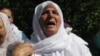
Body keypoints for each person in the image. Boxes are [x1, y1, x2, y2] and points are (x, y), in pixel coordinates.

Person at [12, 1, 92, 56]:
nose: (51, 16)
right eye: (45, 12)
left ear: (61, 19)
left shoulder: (77, 45)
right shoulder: (25, 50)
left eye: (55, 12)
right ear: (36, 21)